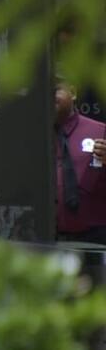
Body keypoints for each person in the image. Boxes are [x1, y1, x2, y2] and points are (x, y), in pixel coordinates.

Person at [54, 81, 106, 243]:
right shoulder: (30, 136)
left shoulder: (101, 131)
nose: (49, 97)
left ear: (73, 93)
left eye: (55, 90)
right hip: (43, 240)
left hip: (94, 240)